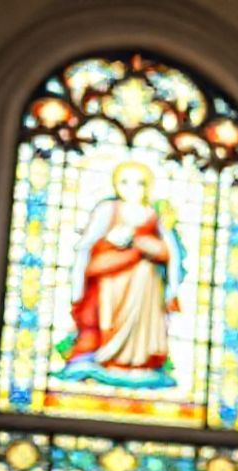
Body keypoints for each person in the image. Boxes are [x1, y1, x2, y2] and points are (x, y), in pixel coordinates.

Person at [55, 160, 182, 388]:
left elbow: (168, 252)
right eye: (125, 182)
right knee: (108, 318)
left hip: (146, 287)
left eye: (139, 183)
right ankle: (105, 355)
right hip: (111, 282)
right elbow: (88, 245)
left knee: (144, 274)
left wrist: (142, 245)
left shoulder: (153, 214)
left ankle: (139, 362)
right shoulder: (108, 210)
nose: (132, 188)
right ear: (116, 185)